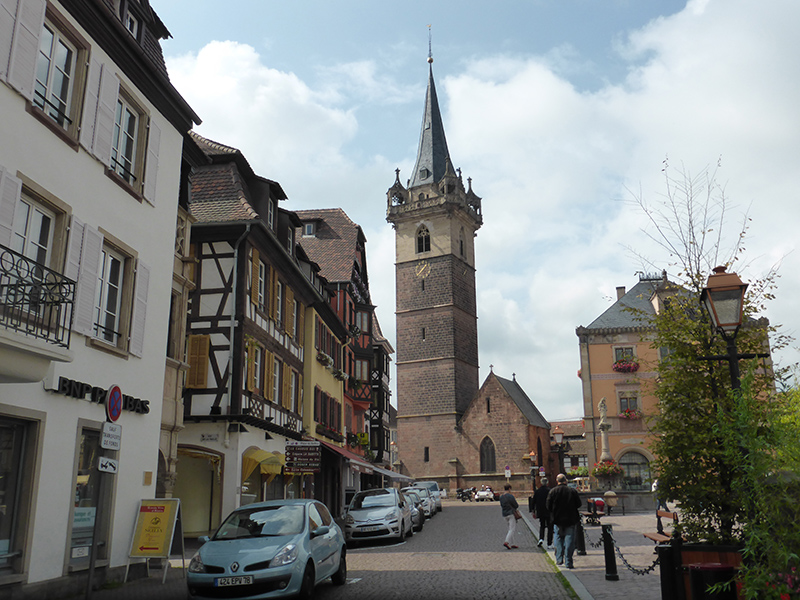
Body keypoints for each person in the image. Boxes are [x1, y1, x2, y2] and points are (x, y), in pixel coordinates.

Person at [546, 473, 582, 568]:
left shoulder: (552, 492)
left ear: (557, 481)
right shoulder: (572, 491)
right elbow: (579, 504)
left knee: (558, 538)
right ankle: (568, 562)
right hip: (570, 519)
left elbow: (548, 506)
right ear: (565, 481)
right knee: (570, 540)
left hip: (557, 519)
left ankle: (559, 559)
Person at [532, 477, 553, 548]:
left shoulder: (538, 491)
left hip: (540, 511)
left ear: (541, 483)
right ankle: (549, 543)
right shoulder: (550, 491)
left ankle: (541, 539)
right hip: (549, 511)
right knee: (550, 527)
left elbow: (533, 502)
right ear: (547, 483)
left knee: (542, 526)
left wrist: (533, 511)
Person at [499, 484, 519, 549]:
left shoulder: (501, 497)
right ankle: (506, 542)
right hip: (511, 513)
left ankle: (513, 543)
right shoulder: (510, 496)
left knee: (510, 528)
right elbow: (516, 505)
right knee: (512, 529)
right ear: (509, 489)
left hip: (504, 514)